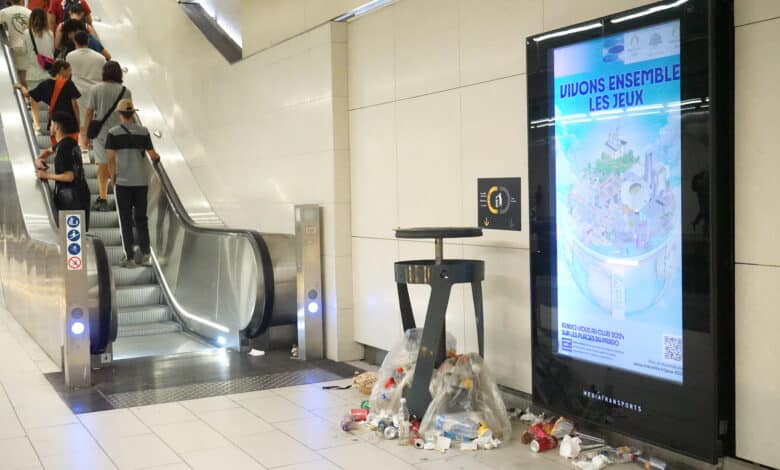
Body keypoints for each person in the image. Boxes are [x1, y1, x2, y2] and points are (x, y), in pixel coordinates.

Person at [105, 99, 160, 268]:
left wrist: (112, 179)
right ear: (133, 113)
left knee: (125, 219)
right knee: (141, 218)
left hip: (123, 183)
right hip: (141, 182)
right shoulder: (143, 132)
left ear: (120, 114)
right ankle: (146, 255)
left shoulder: (113, 133)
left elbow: (111, 159)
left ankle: (128, 257)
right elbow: (153, 155)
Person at [34, 111, 90, 230]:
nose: (50, 126)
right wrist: (40, 158)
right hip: (80, 194)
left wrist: (46, 175)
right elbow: (50, 150)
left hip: (71, 199)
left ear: (57, 127)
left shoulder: (63, 149)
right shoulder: (68, 143)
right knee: (77, 236)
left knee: (72, 238)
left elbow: (69, 176)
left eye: (52, 123)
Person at [85, 60, 129, 211]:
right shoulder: (125, 91)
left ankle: (103, 197)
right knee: (118, 166)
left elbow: (90, 112)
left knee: (103, 165)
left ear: (104, 73)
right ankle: (119, 197)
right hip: (121, 132)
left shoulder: (95, 89)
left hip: (102, 134)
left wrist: (85, 135)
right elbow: (128, 114)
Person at [14, 59, 80, 139]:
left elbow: (29, 95)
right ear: (62, 70)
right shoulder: (69, 84)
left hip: (55, 121)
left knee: (57, 144)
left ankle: (37, 126)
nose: (70, 73)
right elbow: (75, 105)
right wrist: (78, 123)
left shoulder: (46, 84)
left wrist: (21, 87)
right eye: (69, 70)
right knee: (69, 145)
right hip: (69, 120)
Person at [66, 30, 103, 147]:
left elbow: (67, 75)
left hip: (78, 92)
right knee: (95, 121)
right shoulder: (100, 58)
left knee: (82, 123)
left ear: (75, 41)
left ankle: (84, 147)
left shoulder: (70, 56)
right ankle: (94, 145)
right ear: (88, 40)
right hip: (96, 92)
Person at [0, 0, 31, 86]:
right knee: (24, 77)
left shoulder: (4, 12)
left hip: (11, 47)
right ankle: (25, 97)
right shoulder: (29, 12)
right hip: (26, 48)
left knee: (12, 75)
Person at [22, 8, 54, 90]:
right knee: (47, 101)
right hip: (47, 74)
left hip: (32, 75)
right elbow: (52, 51)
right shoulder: (50, 33)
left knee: (34, 101)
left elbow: (23, 51)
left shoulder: (26, 33)